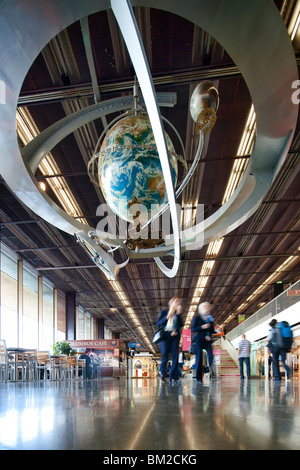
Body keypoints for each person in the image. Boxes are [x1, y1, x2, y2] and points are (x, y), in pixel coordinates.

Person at [157, 296, 183, 383]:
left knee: (175, 355)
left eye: (178, 302)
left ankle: (173, 377)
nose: (177, 304)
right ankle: (162, 373)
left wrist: (178, 315)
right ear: (171, 303)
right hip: (164, 336)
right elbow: (158, 323)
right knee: (165, 355)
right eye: (175, 302)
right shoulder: (164, 312)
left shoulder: (178, 314)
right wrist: (168, 316)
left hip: (174, 336)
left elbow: (181, 325)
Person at [191, 301, 215, 384]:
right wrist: (202, 327)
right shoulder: (197, 318)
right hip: (199, 340)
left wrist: (212, 327)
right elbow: (193, 329)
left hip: (208, 339)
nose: (206, 308)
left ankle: (212, 371)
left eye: (207, 306)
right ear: (200, 309)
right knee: (199, 358)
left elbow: (212, 330)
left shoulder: (210, 318)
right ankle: (199, 378)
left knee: (211, 355)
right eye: (204, 306)